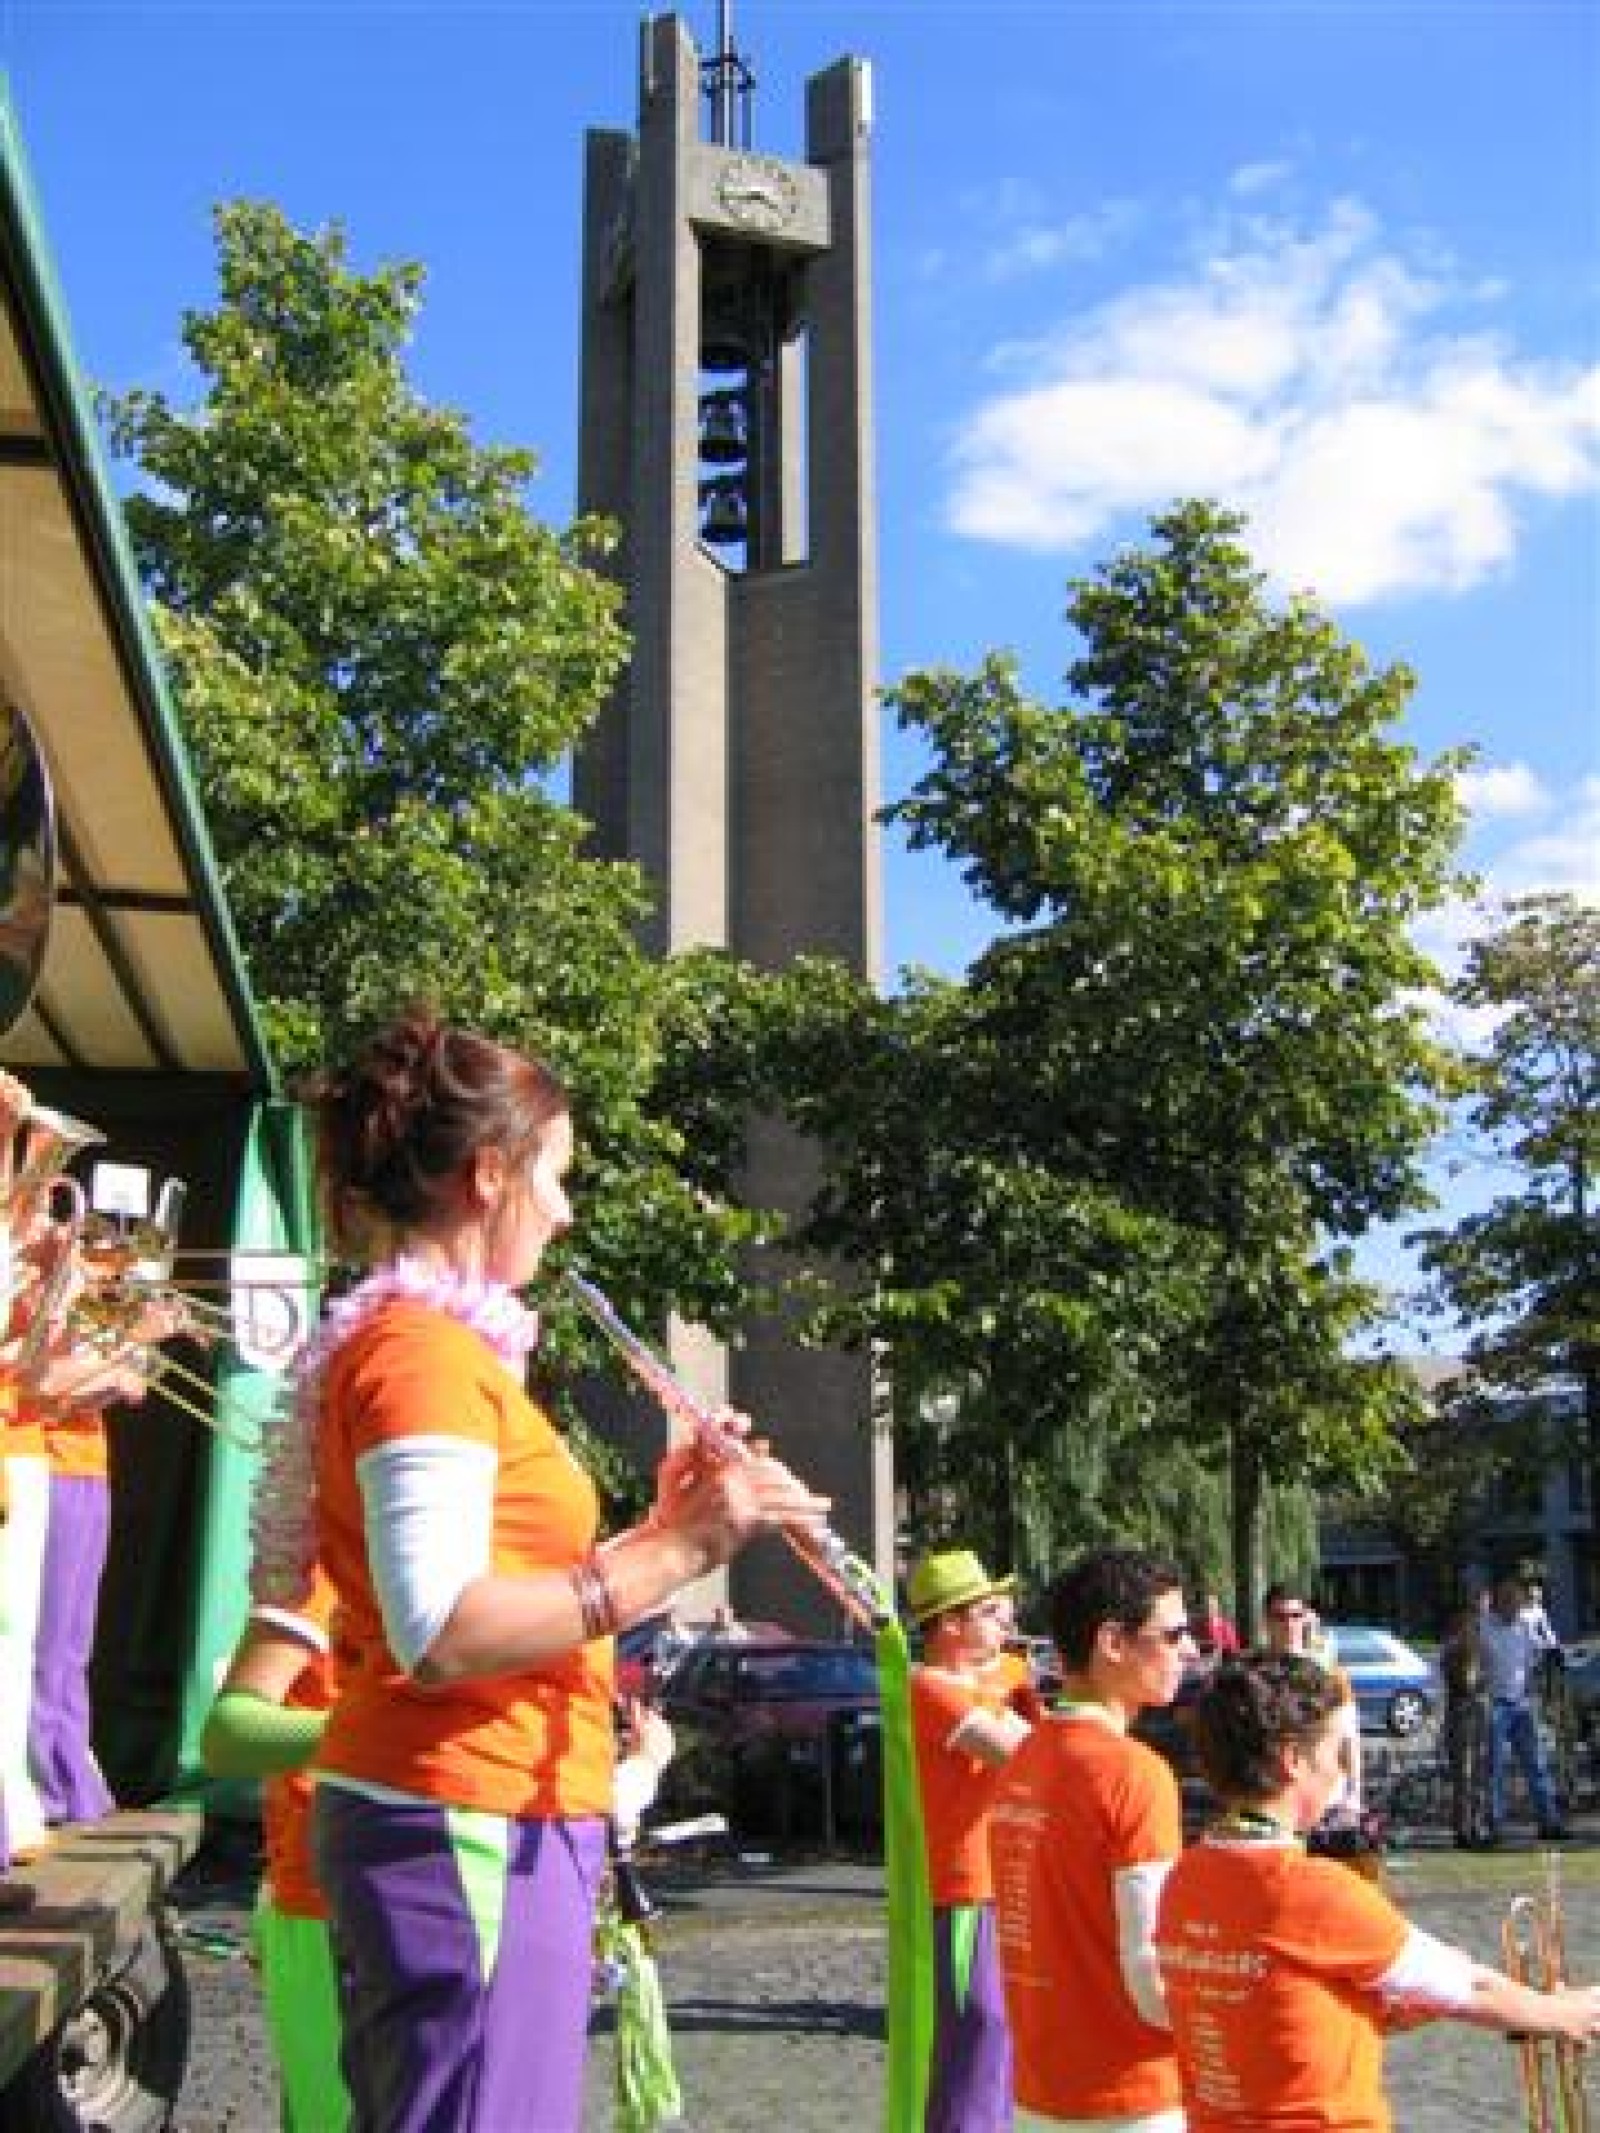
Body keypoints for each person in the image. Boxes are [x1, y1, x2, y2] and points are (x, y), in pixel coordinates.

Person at [260, 1009, 828, 2133]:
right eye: (554, 1176)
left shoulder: (433, 1350)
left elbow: (506, 1586)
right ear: (488, 1174)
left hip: (486, 1813)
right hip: (462, 1815)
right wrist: (686, 1547)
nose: (564, 1211)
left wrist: (663, 1523)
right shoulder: (421, 1357)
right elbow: (443, 1630)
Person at [1156, 1651, 1600, 2130]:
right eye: (1333, 1753)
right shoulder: (1310, 1890)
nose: (1340, 1772)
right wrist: (1562, 2013)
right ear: (1292, 1761)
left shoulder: (1184, 1878)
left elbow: (1284, 2006)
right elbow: (1466, 1985)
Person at [990, 1546, 1193, 2133]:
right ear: (1112, 1643)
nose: (1188, 1650)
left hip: (1038, 2087)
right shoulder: (1134, 1774)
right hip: (1131, 2091)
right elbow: (1151, 1970)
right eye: (1173, 1634)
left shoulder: (1025, 1759)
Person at [202, 1570, 350, 2133]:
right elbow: (229, 1735)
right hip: (321, 1903)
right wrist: (386, 1736)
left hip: (434, 1890)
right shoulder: (325, 1572)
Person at [907, 1546, 1035, 2132]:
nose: (1002, 1621)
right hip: (961, 1886)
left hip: (994, 1881)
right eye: (986, 1612)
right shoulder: (931, 1690)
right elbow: (1020, 1753)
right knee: (980, 2029)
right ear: (949, 1625)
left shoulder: (979, 1684)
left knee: (999, 2034)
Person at [1478, 1573, 1566, 1843]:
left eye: (1516, 1605)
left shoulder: (1525, 1626)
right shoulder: (1484, 1627)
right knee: (1494, 1768)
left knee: (1536, 1764)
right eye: (1508, 1604)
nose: (1513, 1610)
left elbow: (1538, 1653)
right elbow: (1477, 1665)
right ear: (1497, 1604)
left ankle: (1549, 1822)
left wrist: (1551, 1656)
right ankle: (1495, 1825)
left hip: (1521, 1703)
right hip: (1495, 1704)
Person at [1439, 1602, 1490, 1850]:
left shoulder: (1479, 1648)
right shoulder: (1453, 1650)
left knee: (1479, 1773)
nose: (1473, 1627)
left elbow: (1482, 1680)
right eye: (1469, 1622)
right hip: (1461, 1714)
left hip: (1477, 1712)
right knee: (1464, 1775)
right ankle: (1463, 1829)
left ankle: (1477, 1825)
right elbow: (1464, 1684)